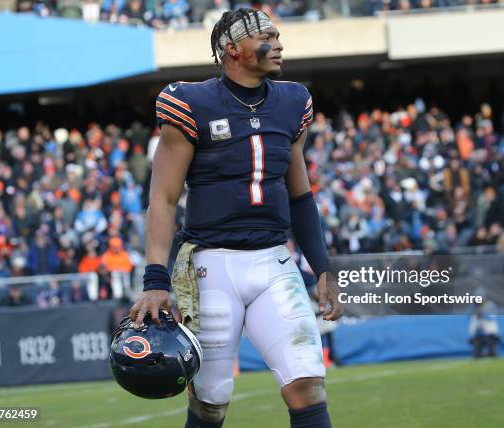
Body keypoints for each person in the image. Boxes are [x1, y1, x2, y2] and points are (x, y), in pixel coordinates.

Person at [128, 9, 343, 428]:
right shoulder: (191, 102)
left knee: (307, 383)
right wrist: (155, 281)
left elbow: (300, 196)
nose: (279, 43)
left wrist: (323, 268)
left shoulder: (293, 101)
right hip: (211, 267)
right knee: (211, 400)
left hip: (274, 263)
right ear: (233, 49)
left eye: (278, 35)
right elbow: (164, 197)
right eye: (267, 36)